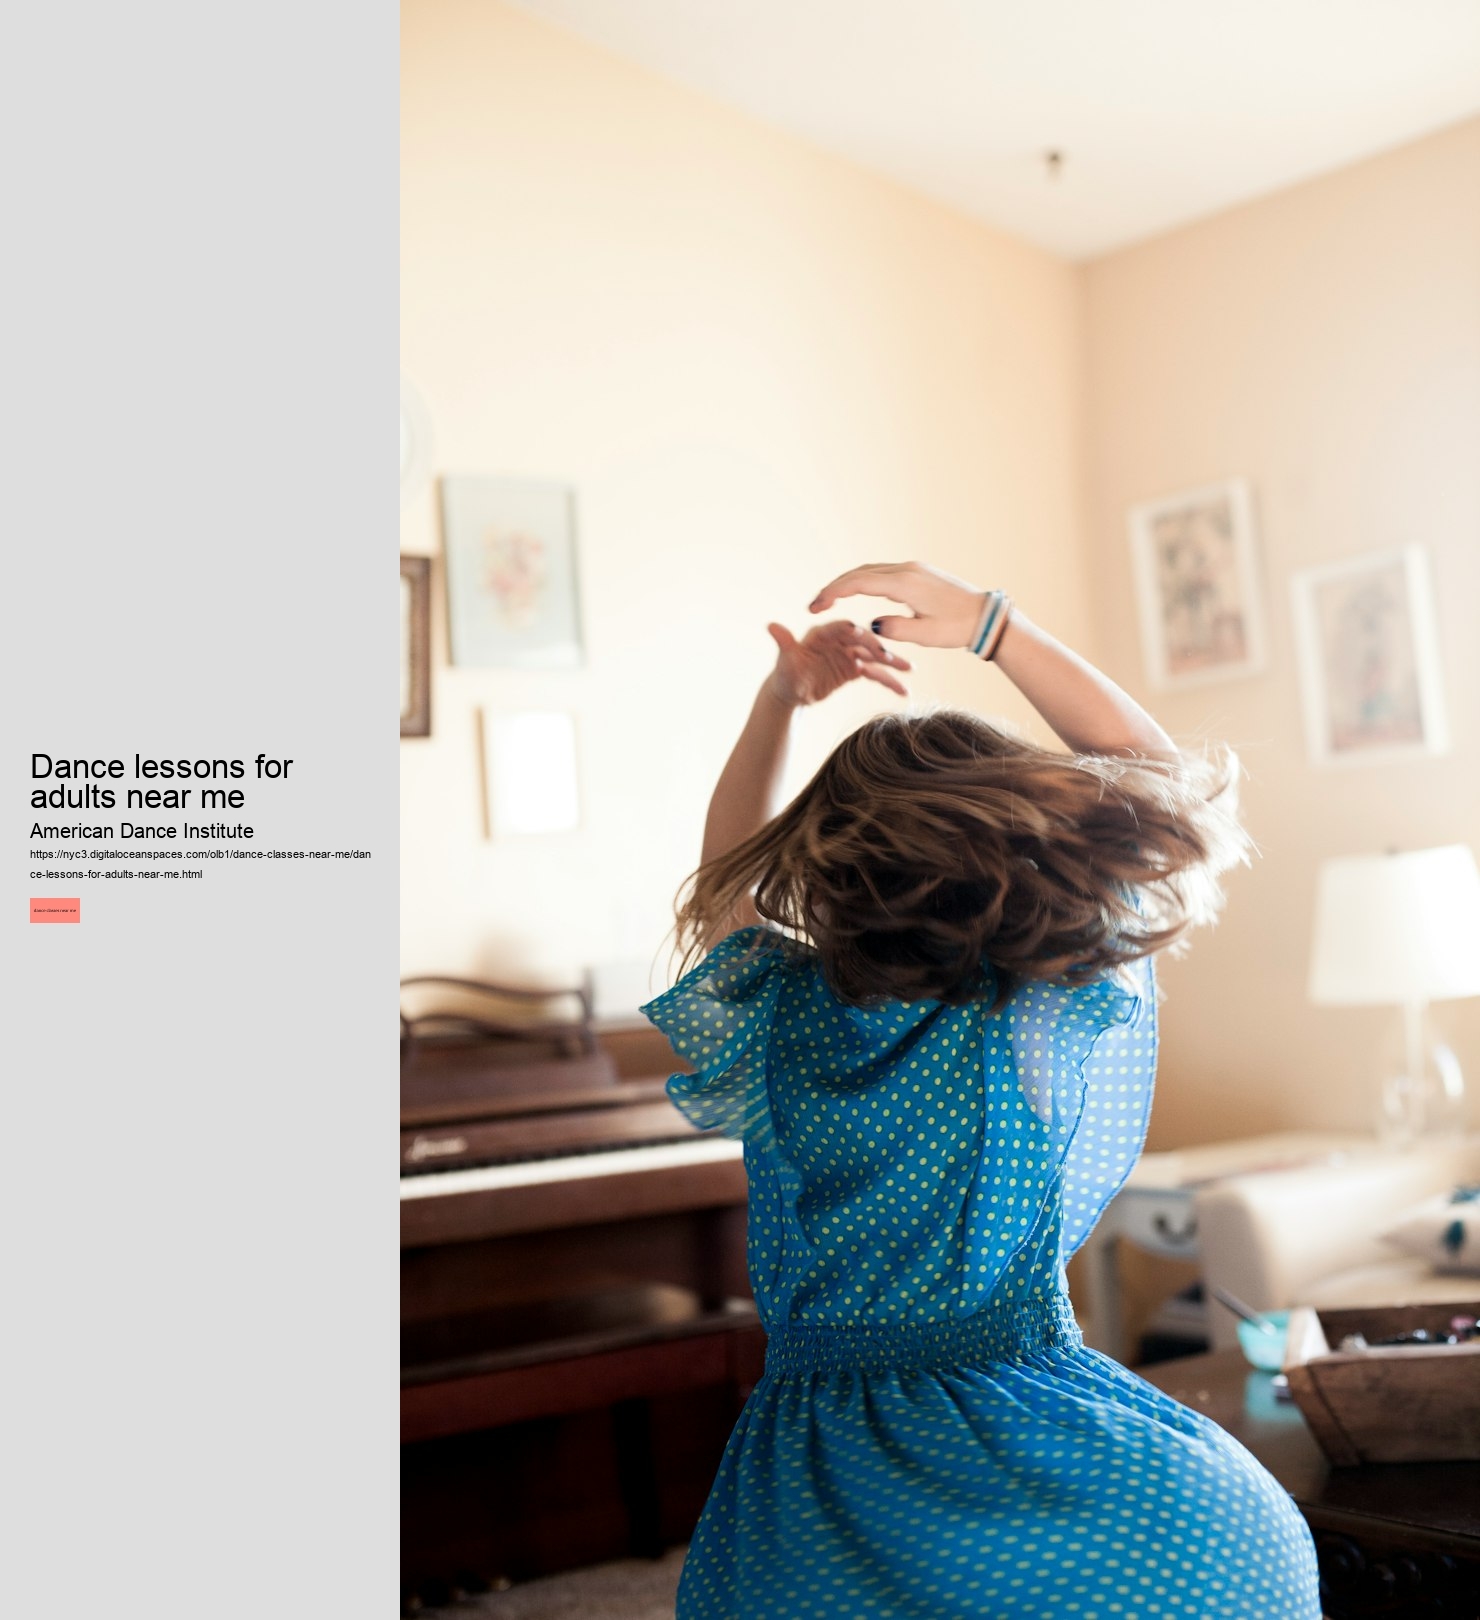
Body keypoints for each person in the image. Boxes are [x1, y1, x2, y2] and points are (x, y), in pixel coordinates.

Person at [641, 561, 1321, 1620]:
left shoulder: (776, 1011)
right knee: (1241, 1537)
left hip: (816, 1482)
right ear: (1024, 850)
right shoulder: (1034, 1009)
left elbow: (721, 881)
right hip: (1030, 1428)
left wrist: (780, 699)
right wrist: (997, 629)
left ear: (827, 873)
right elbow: (1165, 784)